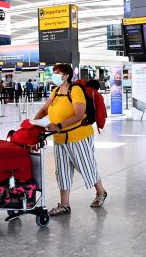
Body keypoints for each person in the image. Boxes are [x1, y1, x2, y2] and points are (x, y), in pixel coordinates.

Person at [34, 64, 107, 216]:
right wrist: (32, 124)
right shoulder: (55, 91)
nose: (53, 76)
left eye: (57, 73)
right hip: (60, 139)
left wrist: (59, 125)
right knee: (62, 172)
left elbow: (79, 114)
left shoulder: (75, 90)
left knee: (86, 167)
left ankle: (101, 192)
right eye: (53, 73)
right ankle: (65, 205)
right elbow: (44, 109)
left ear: (66, 75)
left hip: (78, 137)